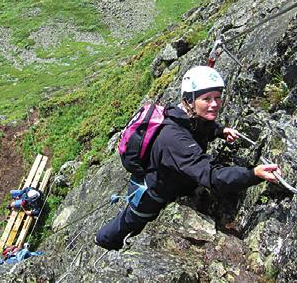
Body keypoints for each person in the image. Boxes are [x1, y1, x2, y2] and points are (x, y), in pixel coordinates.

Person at [95, 65, 281, 250]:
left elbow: (202, 127)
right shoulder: (174, 138)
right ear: (189, 101)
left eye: (217, 97)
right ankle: (102, 241)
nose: (214, 104)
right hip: (153, 194)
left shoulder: (184, 117)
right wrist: (253, 174)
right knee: (130, 223)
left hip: (170, 183)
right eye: (206, 99)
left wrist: (220, 131)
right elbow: (211, 176)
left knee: (132, 220)